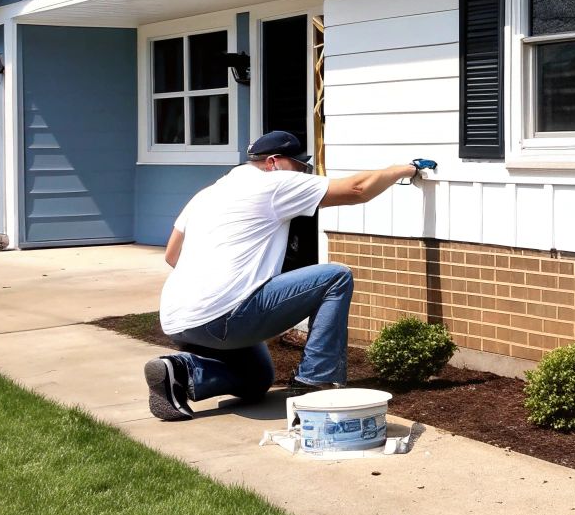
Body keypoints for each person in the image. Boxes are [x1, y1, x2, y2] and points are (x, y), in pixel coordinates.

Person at [143, 130, 435, 421]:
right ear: (273, 162)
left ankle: (180, 370)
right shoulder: (274, 183)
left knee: (257, 379)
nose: (302, 174)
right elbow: (358, 189)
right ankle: (315, 381)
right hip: (222, 318)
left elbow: (172, 255)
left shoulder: (206, 194)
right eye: (298, 165)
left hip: (177, 320)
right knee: (335, 276)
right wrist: (403, 169)